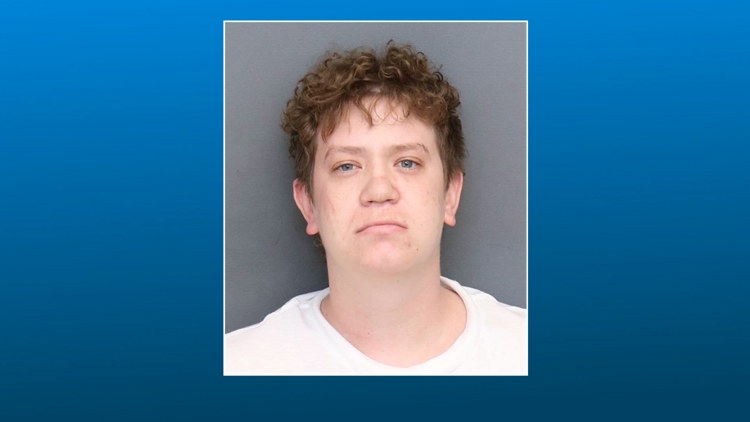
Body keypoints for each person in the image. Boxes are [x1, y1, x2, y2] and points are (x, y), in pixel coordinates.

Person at [224, 41, 527, 375]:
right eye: (346, 166)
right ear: (308, 204)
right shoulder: (239, 366)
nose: (379, 190)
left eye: (408, 163)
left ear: (451, 195)